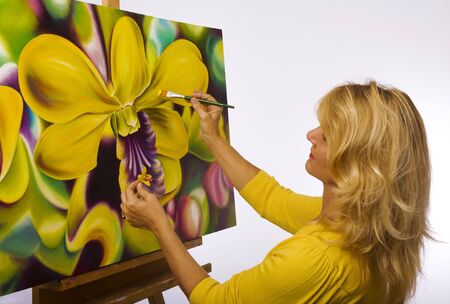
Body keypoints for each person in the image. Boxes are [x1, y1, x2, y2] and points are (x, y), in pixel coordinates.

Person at [121, 81, 431, 304]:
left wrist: (159, 225)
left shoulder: (314, 259)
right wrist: (213, 139)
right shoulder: (363, 227)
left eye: (328, 134)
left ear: (359, 162)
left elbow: (214, 300)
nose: (311, 135)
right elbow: (272, 198)